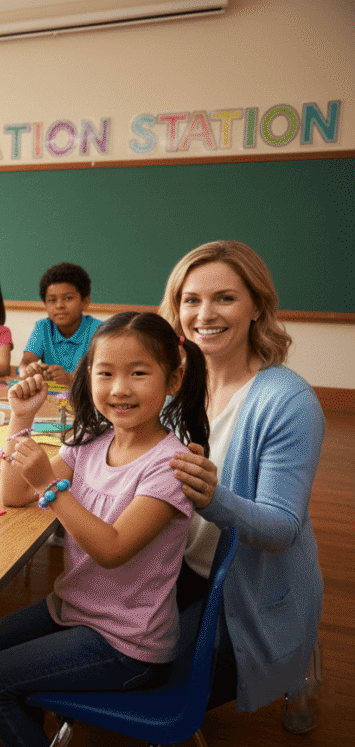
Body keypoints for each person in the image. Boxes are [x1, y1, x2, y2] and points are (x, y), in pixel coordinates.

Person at [0, 311, 209, 747]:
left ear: (174, 379)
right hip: (75, 608)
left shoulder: (170, 465)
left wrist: (49, 486)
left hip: (128, 644)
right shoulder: (92, 442)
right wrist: (21, 419)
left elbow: (111, 551)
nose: (119, 388)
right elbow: (13, 495)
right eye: (105, 373)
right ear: (89, 376)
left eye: (139, 373)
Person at [160, 240, 324, 728]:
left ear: (257, 305)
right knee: (116, 650)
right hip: (181, 568)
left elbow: (282, 528)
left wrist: (215, 499)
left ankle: (300, 655)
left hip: (245, 589)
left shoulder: (287, 400)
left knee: (156, 680)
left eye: (224, 298)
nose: (204, 313)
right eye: (191, 300)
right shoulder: (178, 387)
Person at [19, 262, 102, 386]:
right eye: (52, 300)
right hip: (54, 399)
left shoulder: (99, 331)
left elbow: (106, 375)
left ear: (85, 302)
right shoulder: (43, 327)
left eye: (68, 298)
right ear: (45, 304)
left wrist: (70, 378)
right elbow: (24, 364)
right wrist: (29, 370)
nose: (59, 306)